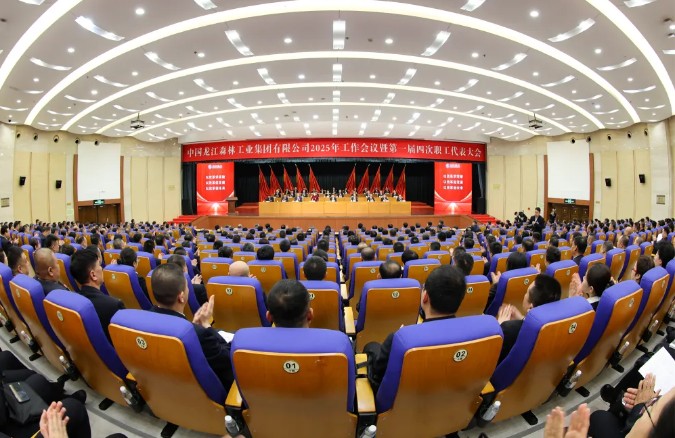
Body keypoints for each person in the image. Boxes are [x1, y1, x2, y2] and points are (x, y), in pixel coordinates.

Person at [364, 266, 466, 393]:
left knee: (371, 346)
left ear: (425, 296)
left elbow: (378, 372)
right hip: (450, 396)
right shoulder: (481, 335)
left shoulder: (401, 339)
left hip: (400, 400)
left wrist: (401, 336)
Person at [149, 263, 233, 391]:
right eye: (187, 287)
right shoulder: (199, 334)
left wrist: (193, 326)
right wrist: (206, 326)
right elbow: (226, 359)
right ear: (181, 297)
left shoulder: (142, 321)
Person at [496, 274, 561, 363]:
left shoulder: (509, 329)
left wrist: (499, 327)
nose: (525, 294)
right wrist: (523, 318)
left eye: (526, 292)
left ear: (531, 306)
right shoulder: (556, 327)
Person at [70, 248, 125, 342]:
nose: (102, 268)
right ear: (93, 275)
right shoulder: (113, 305)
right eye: (99, 265)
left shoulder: (73, 302)